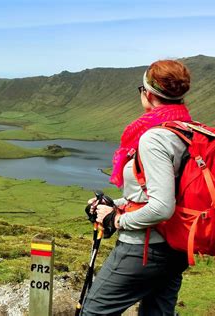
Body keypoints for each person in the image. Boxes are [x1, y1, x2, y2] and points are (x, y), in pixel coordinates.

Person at [81, 60, 193, 316]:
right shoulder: (186, 130)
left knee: (94, 312)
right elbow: (162, 191)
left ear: (149, 94)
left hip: (144, 248)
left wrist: (117, 220)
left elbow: (163, 207)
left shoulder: (154, 137)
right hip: (176, 248)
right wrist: (116, 204)